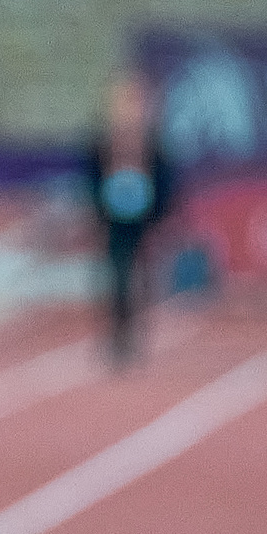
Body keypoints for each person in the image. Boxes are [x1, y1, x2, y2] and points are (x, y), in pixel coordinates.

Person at [86, 70, 176, 365]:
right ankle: (119, 334)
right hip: (113, 221)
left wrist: (159, 214)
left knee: (141, 278)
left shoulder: (151, 145)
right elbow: (90, 178)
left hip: (142, 220)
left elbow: (165, 180)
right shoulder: (103, 144)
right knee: (117, 277)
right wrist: (98, 210)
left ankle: (134, 333)